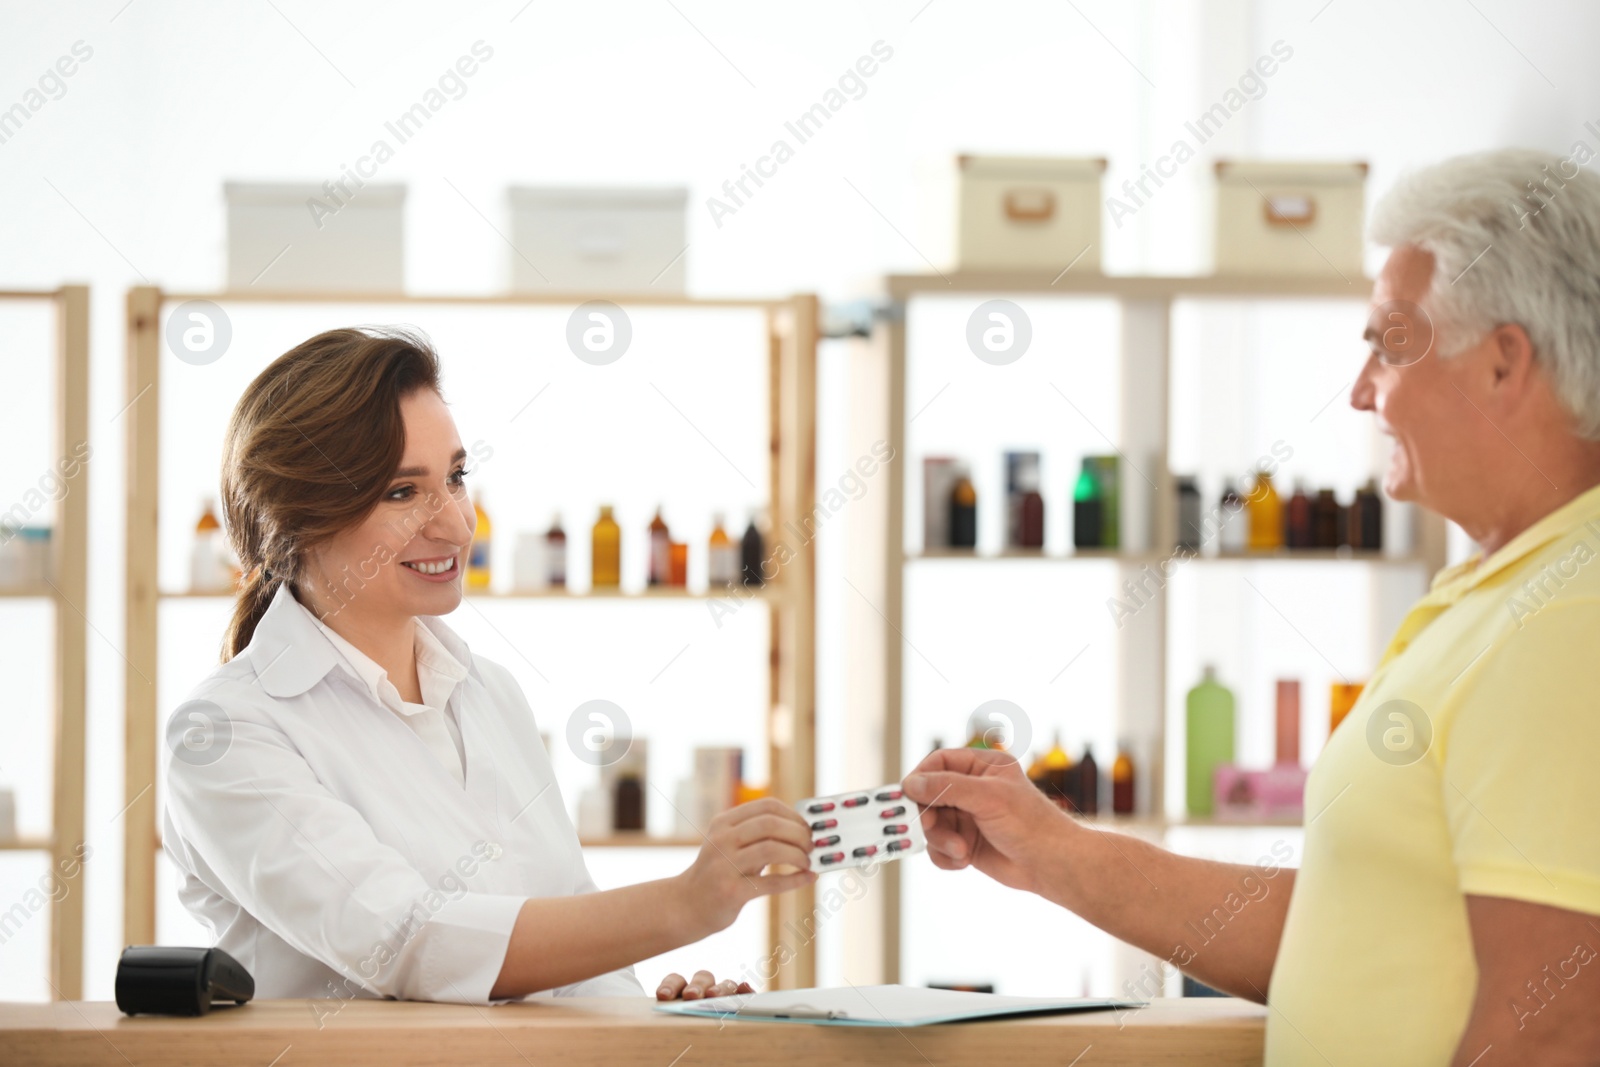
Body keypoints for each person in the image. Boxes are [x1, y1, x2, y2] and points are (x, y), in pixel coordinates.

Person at [903, 147, 1600, 1066]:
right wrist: (1053, 849)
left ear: (1504, 364)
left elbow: (1555, 1024)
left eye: (1389, 345)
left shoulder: (1567, 617)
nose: (1362, 392)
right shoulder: (1495, 591)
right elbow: (1337, 933)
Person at [161, 327, 815, 1006]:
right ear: (295, 519)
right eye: (401, 492)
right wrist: (682, 904)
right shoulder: (225, 733)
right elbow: (408, 943)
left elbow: (573, 950)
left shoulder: (487, 693)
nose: (455, 523)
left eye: (455, 477)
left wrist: (650, 1015)